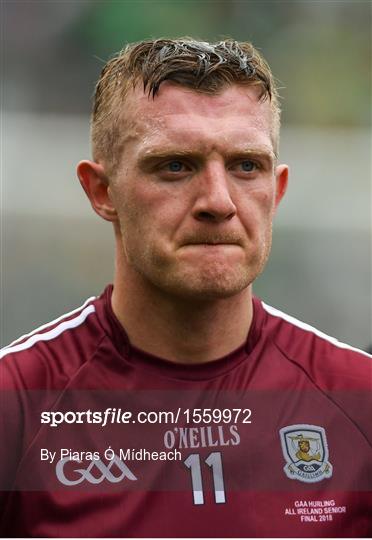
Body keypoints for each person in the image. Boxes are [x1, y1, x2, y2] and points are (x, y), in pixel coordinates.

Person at [1, 38, 371, 538]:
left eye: (246, 166)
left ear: (277, 190)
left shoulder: (357, 399)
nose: (218, 202)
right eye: (176, 166)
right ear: (102, 192)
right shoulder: (17, 404)